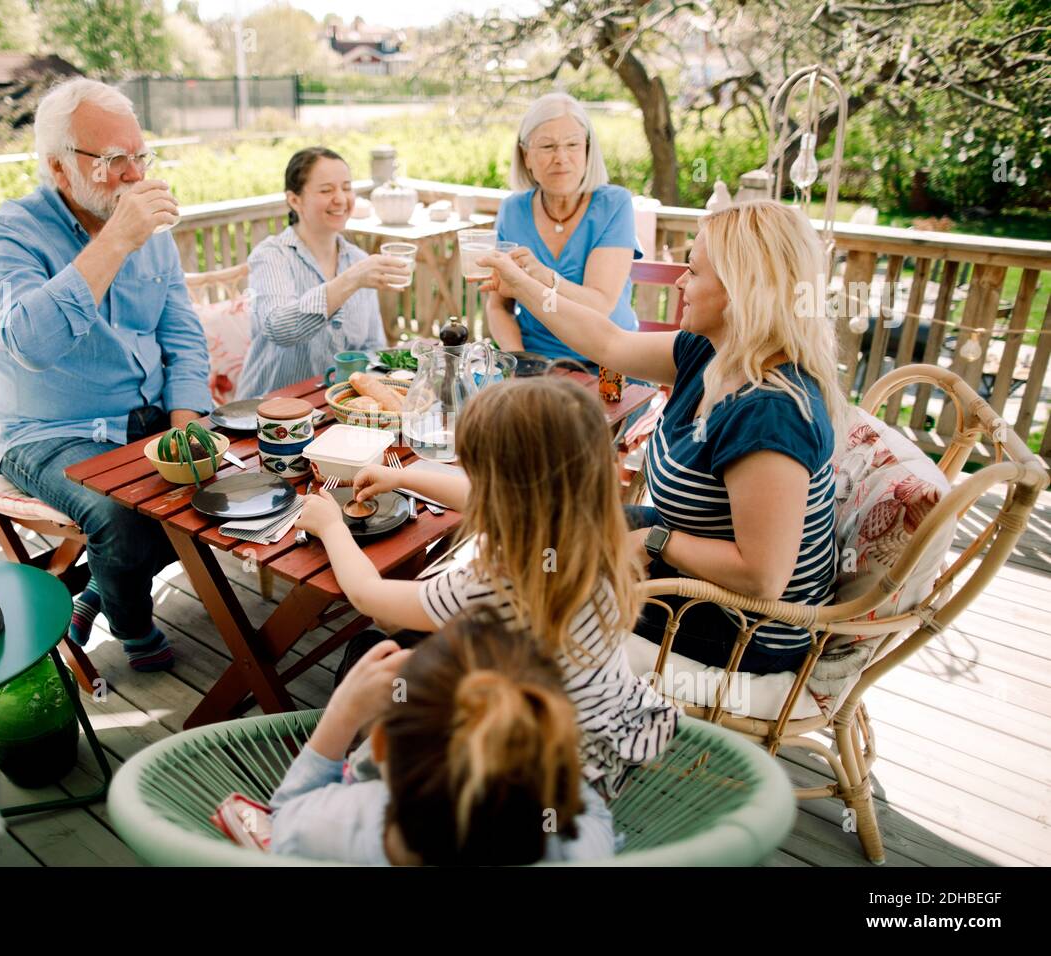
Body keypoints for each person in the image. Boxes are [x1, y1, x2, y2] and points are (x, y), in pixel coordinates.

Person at [478, 200, 847, 674]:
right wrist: (525, 287)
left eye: (692, 272)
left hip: (737, 627)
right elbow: (608, 342)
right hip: (690, 556)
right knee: (541, 525)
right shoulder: (715, 351)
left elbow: (763, 577)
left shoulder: (770, 412)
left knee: (528, 599)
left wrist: (658, 541)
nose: (678, 282)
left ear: (741, 291)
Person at [295, 376, 678, 796]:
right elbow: (492, 498)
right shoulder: (591, 540)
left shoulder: (500, 579)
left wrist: (331, 526)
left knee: (370, 650)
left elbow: (371, 599)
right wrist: (401, 478)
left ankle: (347, 792)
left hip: (525, 781)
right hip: (592, 752)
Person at [0, 77, 212, 672]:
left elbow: (180, 333)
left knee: (219, 482)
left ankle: (96, 593)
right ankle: (132, 628)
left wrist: (186, 425)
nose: (134, 176)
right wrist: (116, 241)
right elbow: (31, 342)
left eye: (139, 157)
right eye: (112, 160)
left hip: (144, 421)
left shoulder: (150, 234)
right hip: (48, 431)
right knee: (119, 514)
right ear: (59, 168)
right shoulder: (10, 237)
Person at [268, 609, 617, 865]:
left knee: (366, 642)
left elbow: (282, 821)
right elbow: (594, 812)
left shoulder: (337, 826)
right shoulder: (576, 849)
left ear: (381, 745)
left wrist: (343, 713)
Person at [486, 92, 643, 368]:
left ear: (587, 151)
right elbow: (499, 306)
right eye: (547, 147)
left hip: (608, 364)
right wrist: (520, 363)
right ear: (526, 156)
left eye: (572, 144)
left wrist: (543, 276)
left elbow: (600, 305)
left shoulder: (614, 204)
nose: (561, 158)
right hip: (537, 362)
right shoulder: (512, 210)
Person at [235, 147, 406, 398]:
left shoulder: (358, 260)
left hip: (337, 408)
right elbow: (281, 329)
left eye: (346, 187)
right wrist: (351, 280)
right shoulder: (271, 256)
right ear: (295, 200)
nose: (340, 199)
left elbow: (372, 348)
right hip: (268, 416)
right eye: (326, 190)